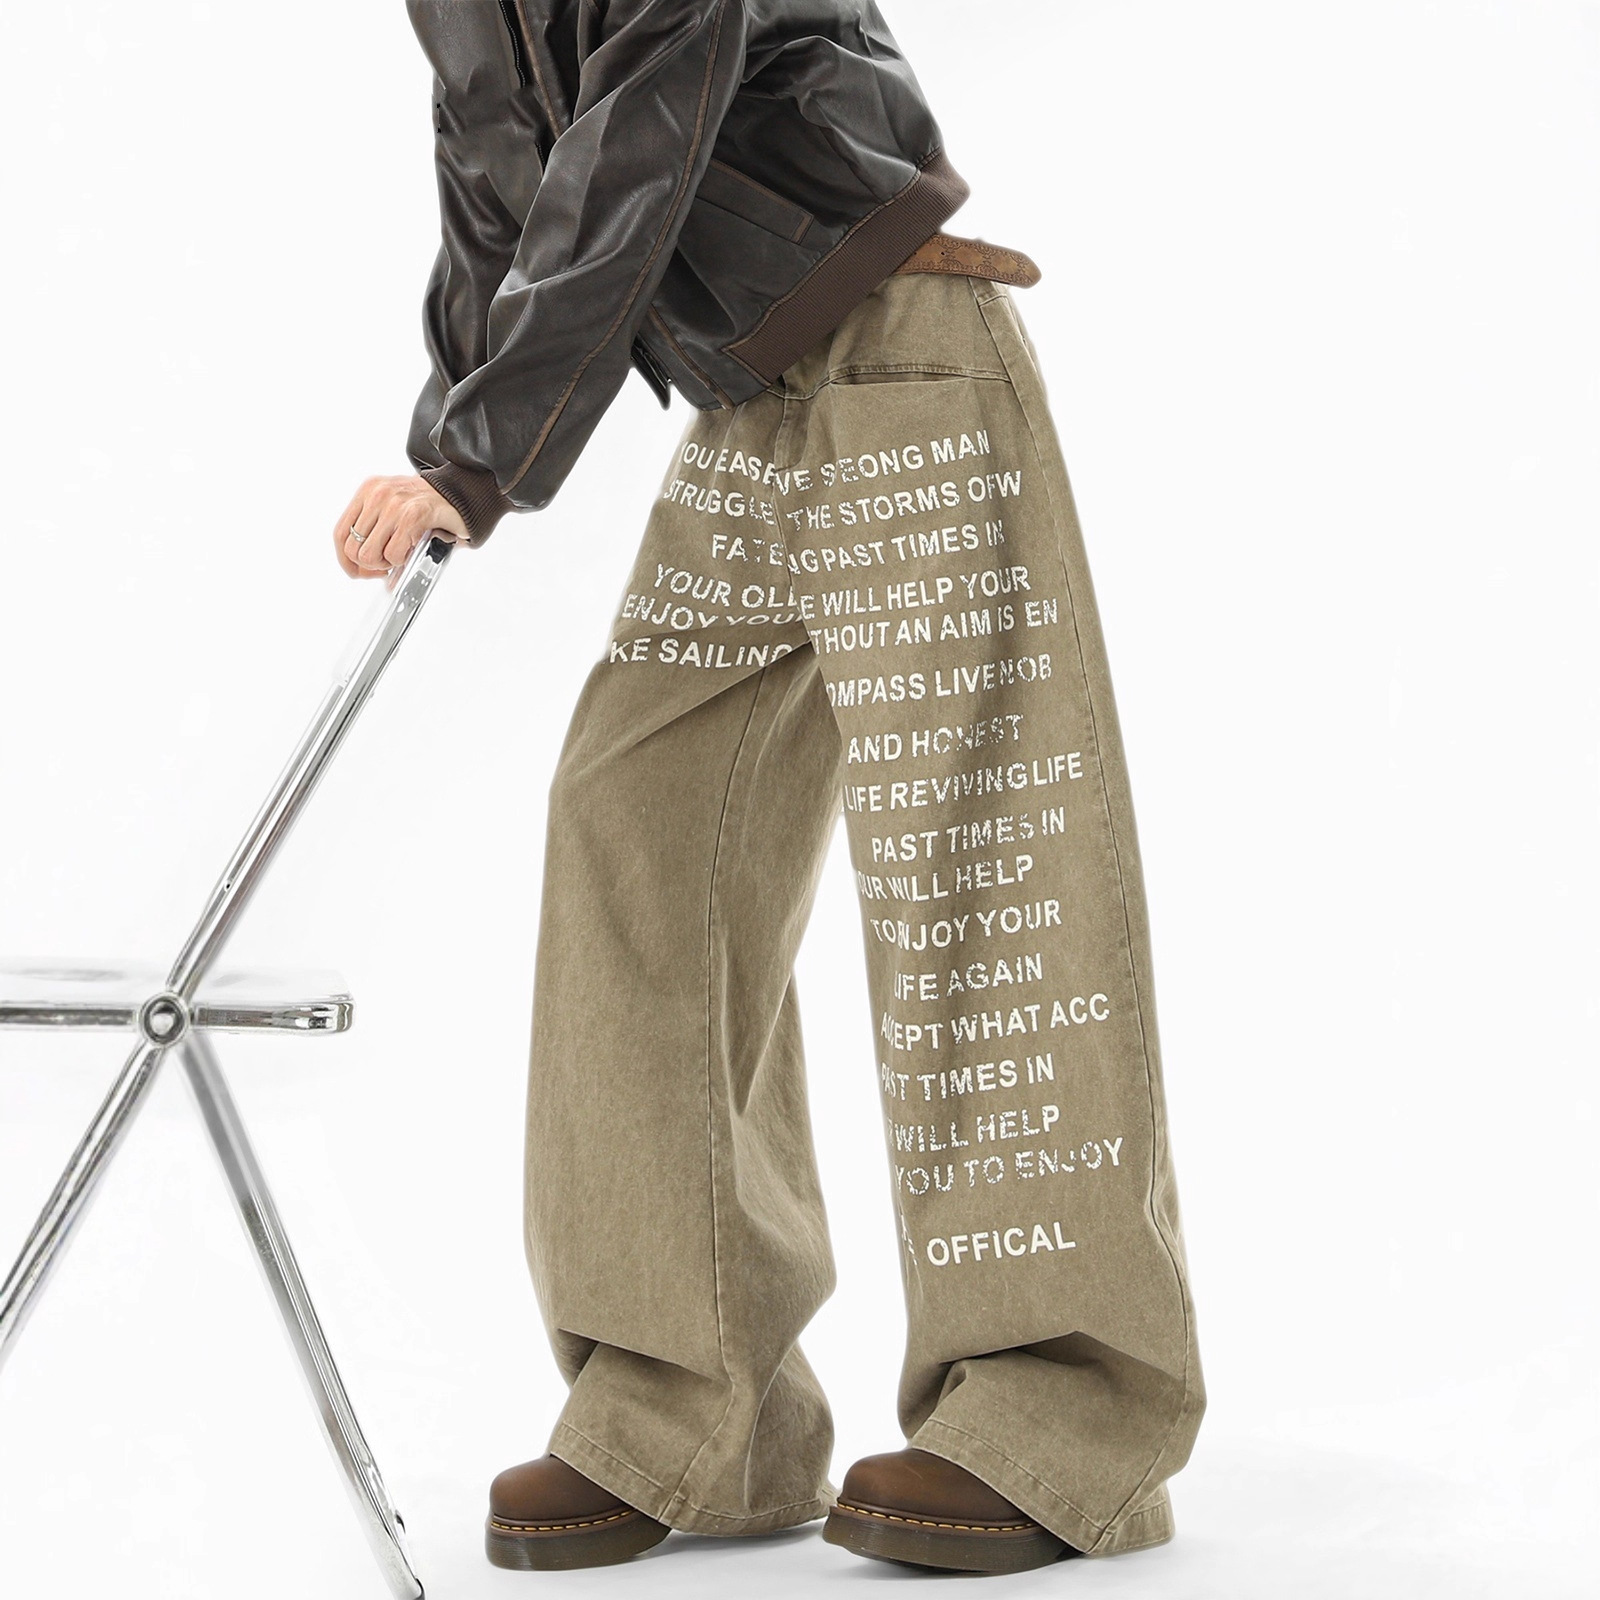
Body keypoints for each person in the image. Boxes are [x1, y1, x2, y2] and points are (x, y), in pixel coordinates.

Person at [333, 0, 1203, 1575]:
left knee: (973, 858)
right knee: (635, 821)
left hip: (903, 348)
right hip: (747, 400)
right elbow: (492, 172)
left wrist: (481, 454)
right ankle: (686, 1417)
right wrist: (447, 446)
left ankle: (1061, 1418)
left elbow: (638, 140)